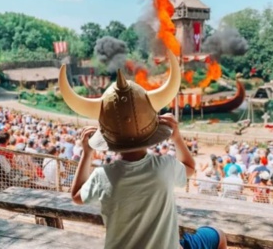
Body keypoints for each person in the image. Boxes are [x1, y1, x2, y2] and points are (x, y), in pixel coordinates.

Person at [60, 51, 227, 249]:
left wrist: (87, 154)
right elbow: (190, 167)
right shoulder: (164, 167)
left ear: (106, 136)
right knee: (218, 236)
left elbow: (76, 196)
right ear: (153, 130)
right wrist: (177, 137)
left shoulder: (102, 176)